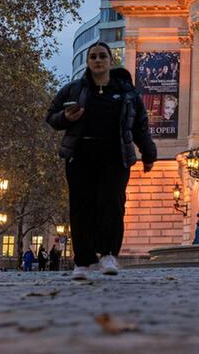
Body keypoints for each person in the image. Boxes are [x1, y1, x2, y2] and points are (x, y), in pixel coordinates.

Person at [46, 41, 156, 280]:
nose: (98, 60)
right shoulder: (73, 90)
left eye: (102, 56)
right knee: (81, 207)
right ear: (88, 62)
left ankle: (108, 254)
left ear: (110, 60)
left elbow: (140, 125)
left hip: (115, 156)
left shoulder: (127, 92)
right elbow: (51, 117)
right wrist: (66, 116)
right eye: (93, 56)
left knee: (113, 204)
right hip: (81, 154)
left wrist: (148, 154)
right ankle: (83, 262)